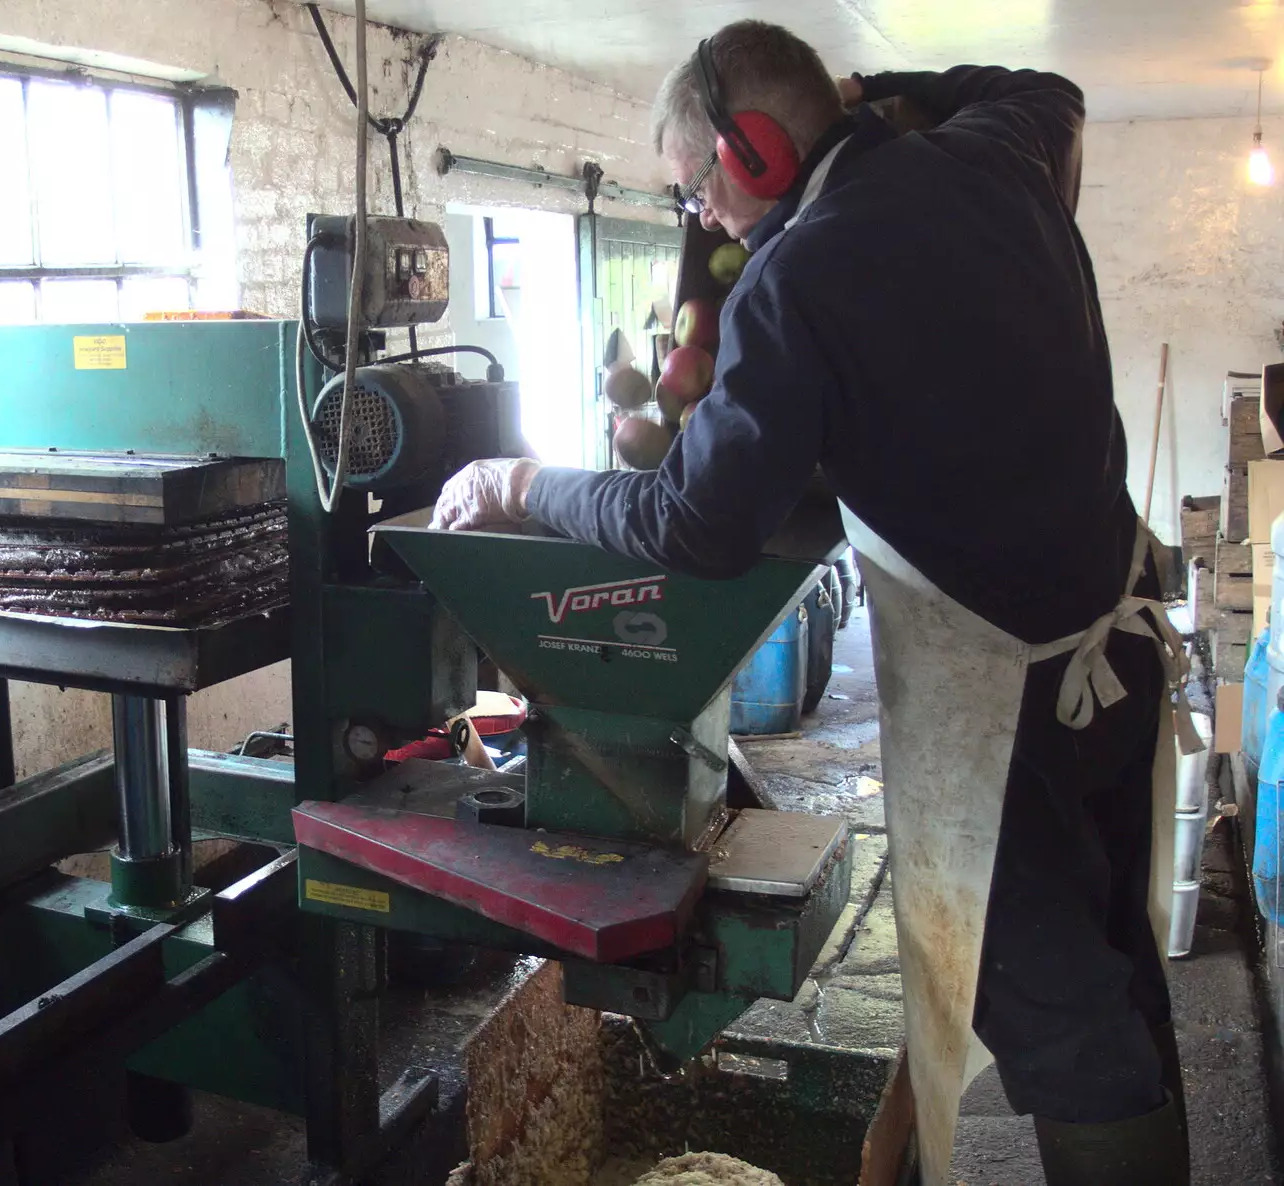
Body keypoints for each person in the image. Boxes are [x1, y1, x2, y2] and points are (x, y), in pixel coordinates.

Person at [429, 20, 1194, 1186]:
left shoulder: (802, 273)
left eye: (695, 191)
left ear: (757, 157)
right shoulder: (998, 148)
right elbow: (1044, 83)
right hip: (1118, 637)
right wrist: (873, 90)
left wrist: (518, 482)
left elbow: (696, 523)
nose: (701, 221)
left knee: (1050, 999)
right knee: (1117, 959)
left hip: (1005, 702)